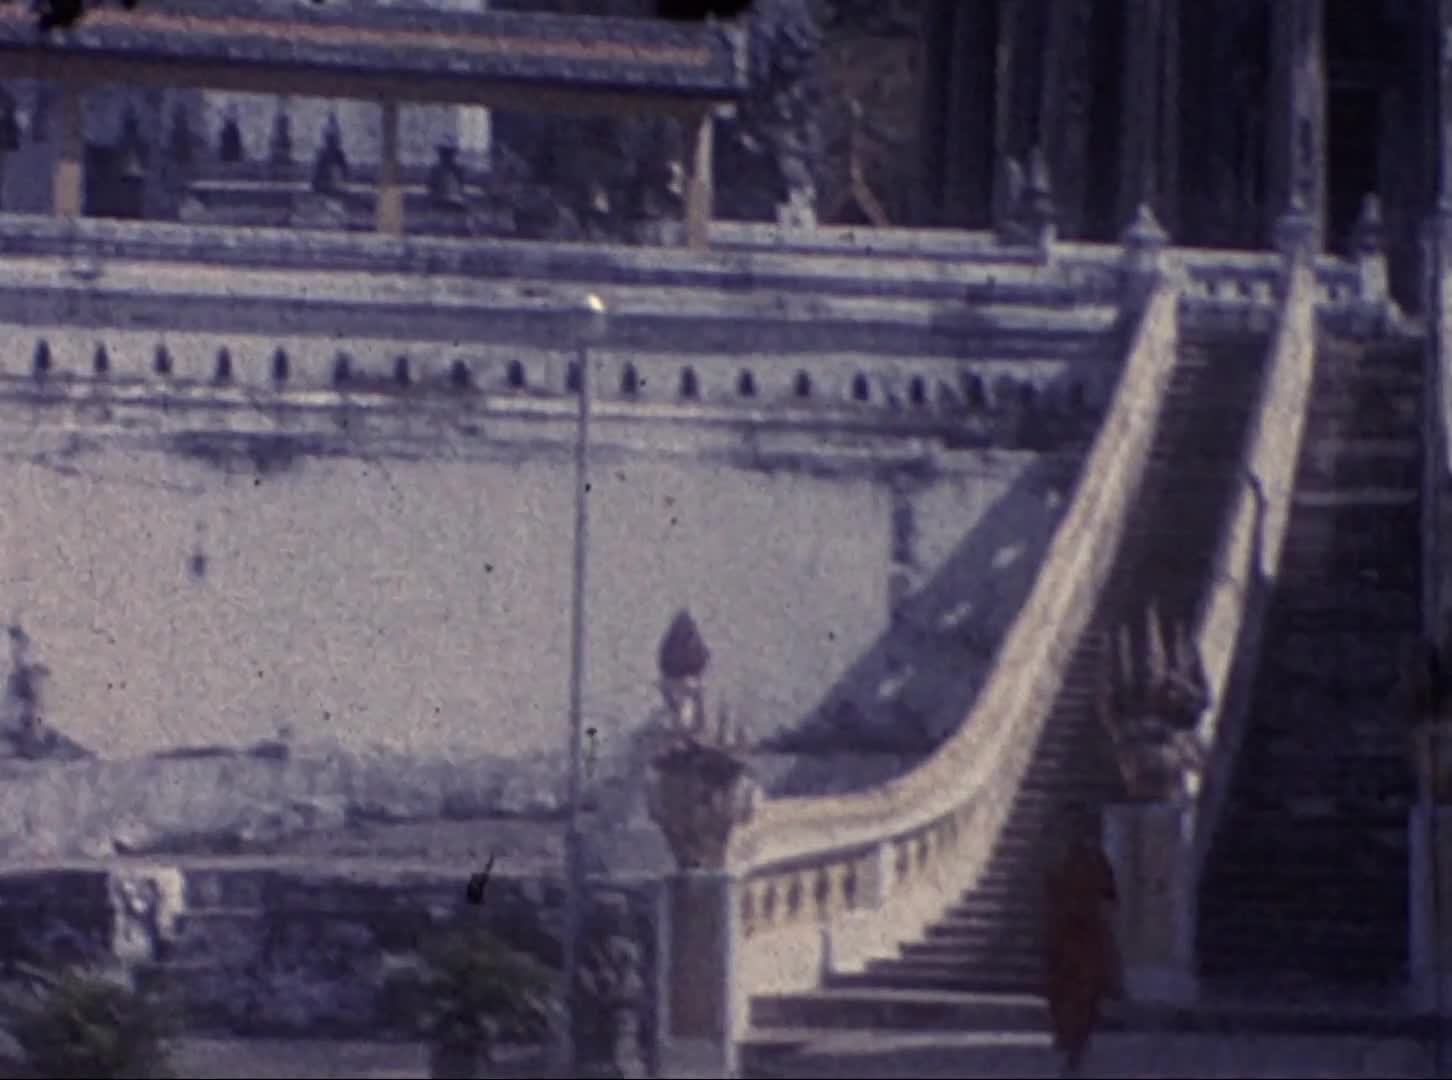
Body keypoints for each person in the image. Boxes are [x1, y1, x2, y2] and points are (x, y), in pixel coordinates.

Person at [1042, 801, 1120, 1078]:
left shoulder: (1094, 859)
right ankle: (1069, 1043)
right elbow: (1048, 894)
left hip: (1086, 936)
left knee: (1086, 996)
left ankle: (1076, 1049)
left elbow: (1109, 896)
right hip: (1065, 935)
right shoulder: (1057, 857)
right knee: (1064, 993)